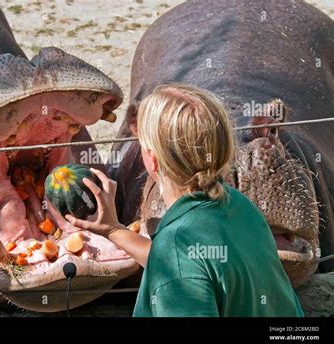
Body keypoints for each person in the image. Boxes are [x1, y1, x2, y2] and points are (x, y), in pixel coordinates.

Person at [65, 84, 303, 317]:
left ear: (152, 159)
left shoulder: (179, 254)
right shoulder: (239, 205)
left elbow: (182, 267)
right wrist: (113, 230)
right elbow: (188, 264)